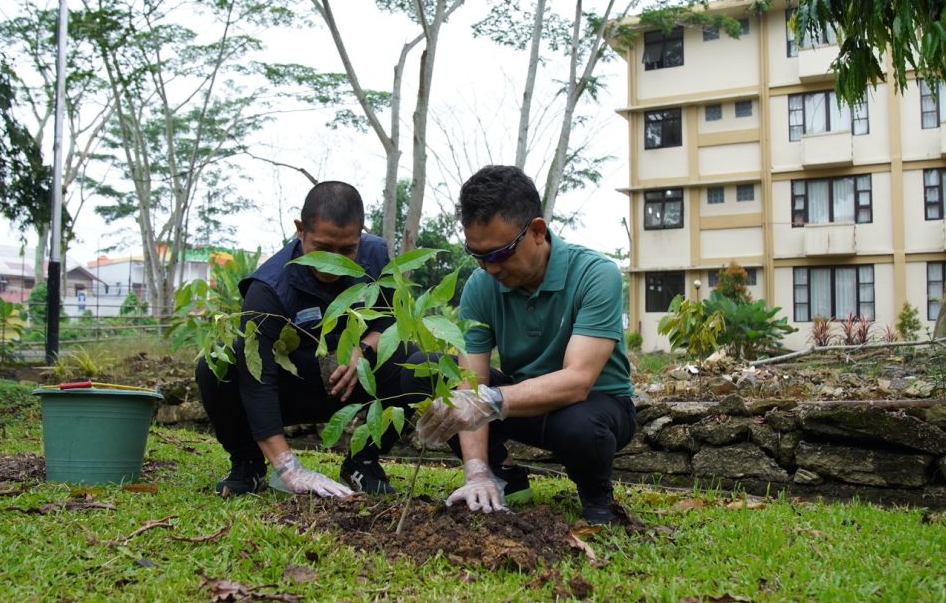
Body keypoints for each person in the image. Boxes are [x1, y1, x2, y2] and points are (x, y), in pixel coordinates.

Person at [415, 165, 637, 524]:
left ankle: (597, 496)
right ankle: (499, 475)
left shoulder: (596, 274)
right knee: (427, 373)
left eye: (499, 255)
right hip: (522, 405)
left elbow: (578, 380)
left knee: (580, 425)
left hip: (597, 405)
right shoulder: (480, 286)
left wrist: (488, 402)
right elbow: (470, 385)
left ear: (536, 231)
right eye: (478, 256)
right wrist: (475, 468)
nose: (490, 269)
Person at [195, 181, 418, 498]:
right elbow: (257, 378)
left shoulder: (375, 256)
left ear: (360, 234)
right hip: (289, 390)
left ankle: (364, 462)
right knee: (216, 365)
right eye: (323, 248)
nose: (334, 261)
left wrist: (363, 350)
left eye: (347, 250)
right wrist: (290, 469)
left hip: (353, 382)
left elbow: (388, 320)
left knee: (409, 357)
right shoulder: (269, 288)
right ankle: (248, 463)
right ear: (301, 230)